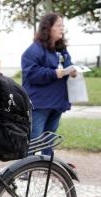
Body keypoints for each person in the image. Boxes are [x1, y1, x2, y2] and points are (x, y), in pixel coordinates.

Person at [21, 13, 77, 156]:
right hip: (40, 104)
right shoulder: (34, 50)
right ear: (48, 28)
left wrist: (72, 71)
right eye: (59, 25)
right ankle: (25, 170)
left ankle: (48, 166)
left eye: (62, 25)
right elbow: (31, 74)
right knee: (34, 138)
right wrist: (53, 73)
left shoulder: (61, 49)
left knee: (49, 138)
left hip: (57, 102)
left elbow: (67, 64)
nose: (62, 29)